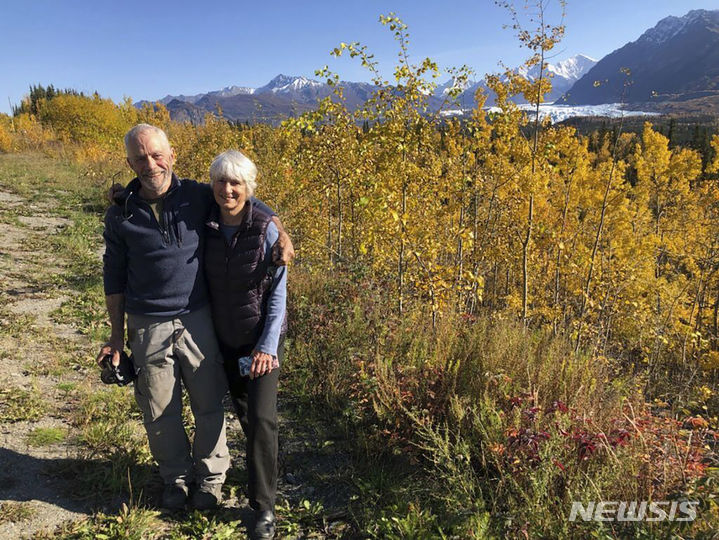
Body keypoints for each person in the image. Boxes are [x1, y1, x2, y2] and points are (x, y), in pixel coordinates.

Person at [97, 124, 293, 511]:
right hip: (147, 321)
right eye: (140, 158)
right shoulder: (119, 213)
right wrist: (116, 338)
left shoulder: (198, 195)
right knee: (159, 409)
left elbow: (246, 201)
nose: (150, 164)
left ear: (172, 156)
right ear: (129, 163)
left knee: (208, 404)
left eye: (156, 155)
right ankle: (176, 479)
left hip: (198, 318)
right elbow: (113, 276)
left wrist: (281, 232)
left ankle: (210, 480)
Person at [204, 150, 286, 540]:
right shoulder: (204, 221)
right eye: (221, 181)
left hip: (260, 341)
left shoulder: (266, 228)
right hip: (224, 338)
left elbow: (278, 296)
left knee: (262, 420)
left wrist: (267, 348)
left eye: (236, 182)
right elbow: (168, 190)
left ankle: (264, 508)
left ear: (249, 188)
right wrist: (123, 196)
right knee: (247, 418)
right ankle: (261, 472)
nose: (227, 189)